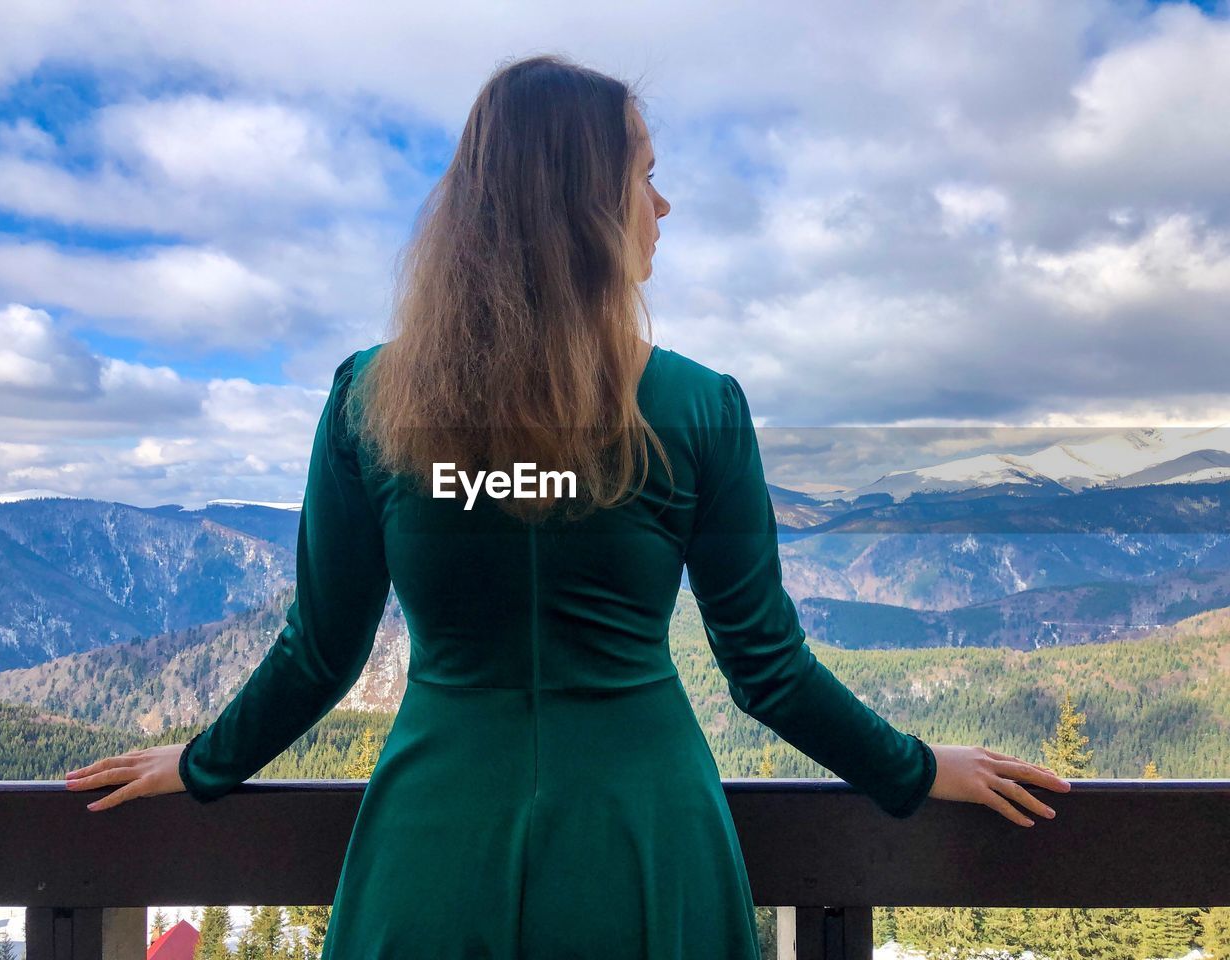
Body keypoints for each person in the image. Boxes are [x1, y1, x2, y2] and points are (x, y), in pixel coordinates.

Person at [64, 53, 1072, 959]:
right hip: (642, 838)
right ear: (586, 200)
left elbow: (321, 650)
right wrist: (910, 769)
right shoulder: (696, 405)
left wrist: (204, 765)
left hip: (435, 837)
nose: (662, 206)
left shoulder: (369, 399)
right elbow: (764, 668)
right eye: (642, 174)